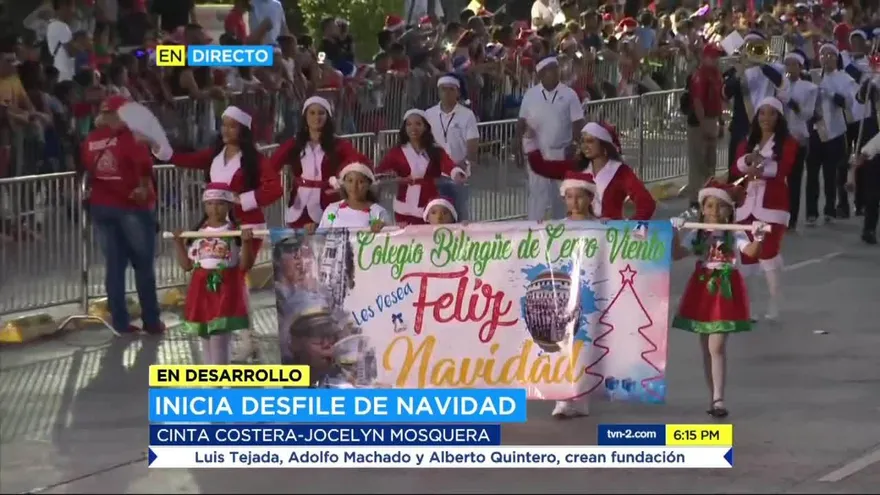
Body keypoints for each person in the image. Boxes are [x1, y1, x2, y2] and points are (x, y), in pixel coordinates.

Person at [154, 105, 283, 360]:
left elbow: (275, 189)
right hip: (215, 224)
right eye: (224, 124)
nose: (226, 130)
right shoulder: (215, 155)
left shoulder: (255, 160)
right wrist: (164, 152)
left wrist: (242, 199)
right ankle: (227, 329)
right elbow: (187, 160)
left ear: (243, 130)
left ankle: (243, 336)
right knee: (226, 278)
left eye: (232, 125)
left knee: (236, 276)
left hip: (246, 227)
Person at [670, 180, 767, 418]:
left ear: (729, 210)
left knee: (717, 346)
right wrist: (674, 233)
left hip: (725, 288)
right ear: (702, 209)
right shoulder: (698, 233)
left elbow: (752, 252)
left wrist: (759, 237)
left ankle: (719, 398)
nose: (714, 210)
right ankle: (713, 397)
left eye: (720, 205)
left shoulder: (735, 232)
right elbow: (676, 254)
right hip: (702, 288)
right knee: (706, 348)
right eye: (709, 205)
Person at [81, 95, 163, 335]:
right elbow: (144, 166)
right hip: (133, 207)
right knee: (143, 265)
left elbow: (86, 166)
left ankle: (120, 322)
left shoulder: (91, 139)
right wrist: (144, 188)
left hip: (101, 207)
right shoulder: (131, 136)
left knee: (114, 266)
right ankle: (151, 321)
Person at [171, 183, 255, 365]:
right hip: (201, 291)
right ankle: (212, 379)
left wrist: (247, 243)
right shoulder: (197, 233)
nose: (214, 209)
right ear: (204, 205)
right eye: (210, 203)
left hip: (224, 292)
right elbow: (187, 266)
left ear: (229, 206)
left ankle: (218, 378)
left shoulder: (235, 232)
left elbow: (245, 265)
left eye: (220, 204)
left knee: (219, 340)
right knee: (206, 340)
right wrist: (178, 243)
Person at [731, 97, 799, 322]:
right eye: (762, 113)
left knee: (768, 252)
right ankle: (749, 306)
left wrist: (760, 168)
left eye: (772, 113)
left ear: (779, 117)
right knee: (747, 257)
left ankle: (774, 301)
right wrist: (747, 160)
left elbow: (783, 168)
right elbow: (736, 166)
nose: (766, 118)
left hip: (772, 206)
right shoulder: (748, 141)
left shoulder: (788, 142)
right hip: (746, 206)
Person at [267, 96, 369, 229]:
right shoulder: (294, 144)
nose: (316, 117)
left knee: (328, 236)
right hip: (299, 206)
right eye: (312, 113)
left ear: (328, 117)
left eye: (321, 113)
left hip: (328, 205)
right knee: (297, 239)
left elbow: (360, 162)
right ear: (305, 116)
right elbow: (271, 166)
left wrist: (343, 179)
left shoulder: (338, 144)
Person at [523, 121, 657, 221]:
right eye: (583, 142)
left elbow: (647, 203)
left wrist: (629, 228)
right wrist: (530, 140)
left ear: (604, 144)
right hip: (579, 236)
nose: (585, 146)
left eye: (590, 141)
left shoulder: (621, 172)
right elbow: (541, 167)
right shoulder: (577, 167)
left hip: (608, 239)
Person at [549, 170, 598, 419]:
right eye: (570, 197)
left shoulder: (602, 227)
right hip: (563, 294)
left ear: (590, 198)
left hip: (591, 291)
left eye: (580, 197)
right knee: (562, 342)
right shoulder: (557, 228)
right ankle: (562, 398)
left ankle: (581, 397)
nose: (575, 202)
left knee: (585, 342)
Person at [516, 55, 585, 221]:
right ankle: (533, 228)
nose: (556, 72)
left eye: (556, 68)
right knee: (537, 195)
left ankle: (563, 228)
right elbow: (521, 121)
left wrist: (578, 147)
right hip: (537, 154)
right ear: (541, 74)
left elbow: (578, 122)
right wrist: (517, 146)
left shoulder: (569, 94)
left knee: (562, 196)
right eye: (551, 70)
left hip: (562, 154)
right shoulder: (531, 95)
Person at [377, 109, 466, 226]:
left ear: (425, 127)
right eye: (409, 124)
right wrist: (395, 179)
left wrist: (456, 173)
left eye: (418, 124)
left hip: (429, 205)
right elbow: (380, 172)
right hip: (403, 206)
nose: (413, 128)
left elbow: (448, 164)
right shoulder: (396, 152)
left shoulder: (435, 150)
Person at [806, 43, 857, 226]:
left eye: (830, 55)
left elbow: (847, 103)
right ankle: (811, 212)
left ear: (836, 58)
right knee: (812, 173)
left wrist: (828, 92)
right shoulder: (812, 76)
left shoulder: (844, 78)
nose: (826, 58)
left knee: (830, 173)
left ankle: (830, 210)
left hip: (834, 132)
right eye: (823, 55)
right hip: (814, 130)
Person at [722, 32, 786, 180]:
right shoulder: (737, 70)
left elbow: (781, 83)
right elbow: (725, 94)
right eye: (749, 46)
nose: (753, 50)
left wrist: (762, 63)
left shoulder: (772, 68)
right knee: (736, 173)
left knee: (763, 174)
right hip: (741, 128)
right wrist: (739, 72)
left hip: (766, 129)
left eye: (757, 46)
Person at [426, 74, 479, 222]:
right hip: (435, 173)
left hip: (459, 173)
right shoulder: (429, 114)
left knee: (459, 213)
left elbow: (472, 141)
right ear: (438, 91)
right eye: (443, 89)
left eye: (451, 89)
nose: (447, 93)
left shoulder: (467, 115)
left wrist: (466, 162)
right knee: (435, 214)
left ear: (458, 92)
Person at [781, 49, 817, 231]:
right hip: (781, 137)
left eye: (793, 64)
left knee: (794, 179)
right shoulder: (781, 85)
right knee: (779, 179)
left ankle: (792, 217)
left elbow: (807, 114)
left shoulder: (809, 88)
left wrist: (793, 104)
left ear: (800, 66)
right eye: (787, 64)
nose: (790, 68)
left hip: (798, 137)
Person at [686, 43, 724, 210]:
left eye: (717, 56)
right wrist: (703, 126)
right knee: (698, 162)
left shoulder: (716, 74)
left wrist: (720, 122)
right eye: (712, 56)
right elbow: (697, 101)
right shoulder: (700, 76)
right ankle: (695, 198)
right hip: (700, 121)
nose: (715, 59)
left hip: (713, 118)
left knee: (710, 161)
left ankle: (708, 194)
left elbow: (719, 100)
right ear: (705, 57)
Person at [317, 162, 389, 232]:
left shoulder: (378, 212)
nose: (354, 186)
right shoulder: (333, 211)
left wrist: (383, 228)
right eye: (350, 181)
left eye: (361, 181)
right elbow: (321, 235)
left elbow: (389, 236)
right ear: (344, 183)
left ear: (369, 184)